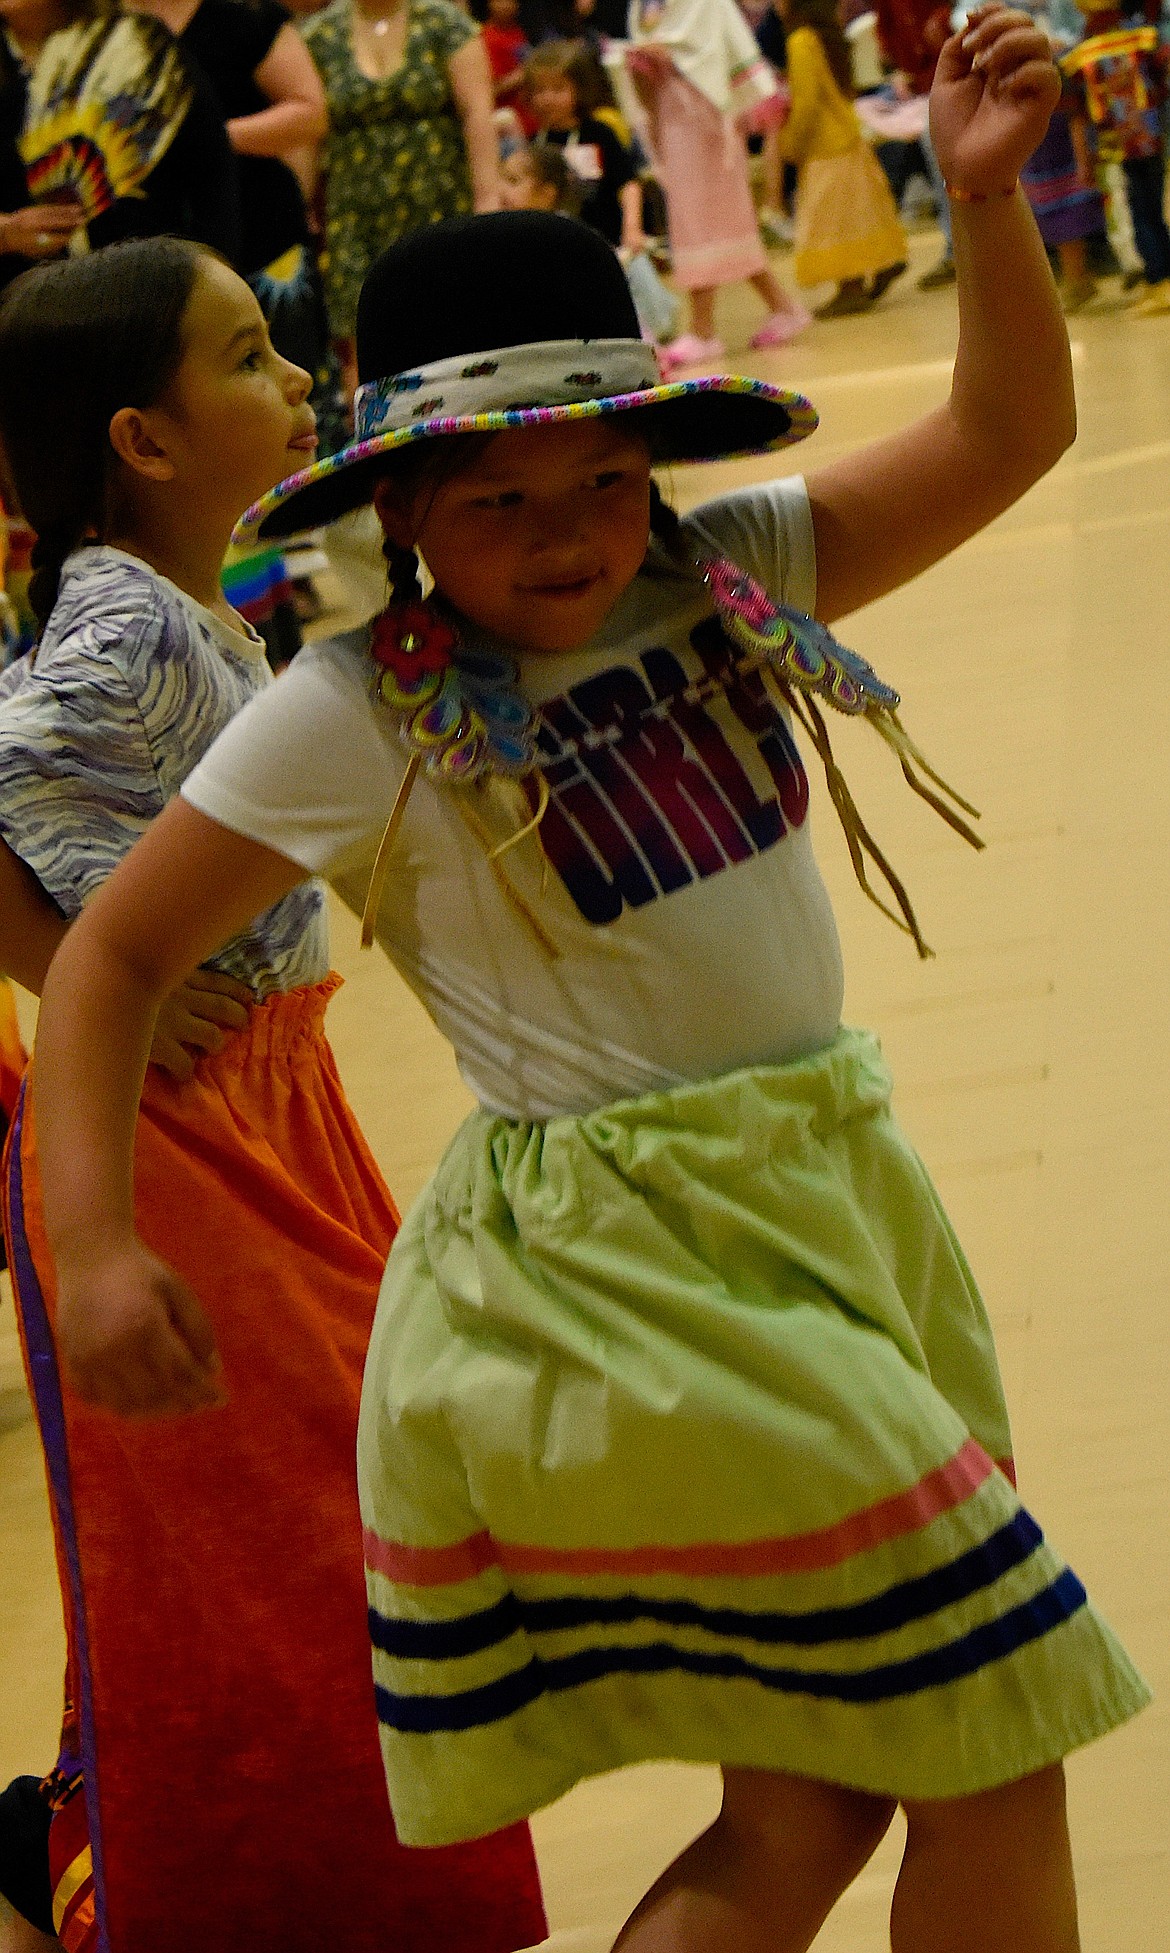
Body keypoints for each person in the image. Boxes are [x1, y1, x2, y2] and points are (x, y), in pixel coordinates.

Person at [28, 11, 1152, 1948]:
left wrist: (985, 202)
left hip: (832, 1202)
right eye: (498, 500)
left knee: (812, 1799)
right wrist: (94, 1243)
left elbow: (1008, 433)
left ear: (657, 457)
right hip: (633, 1256)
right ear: (402, 506)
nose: (562, 539)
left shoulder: (734, 572)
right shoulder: (346, 709)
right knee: (996, 1713)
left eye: (603, 480)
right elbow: (118, 949)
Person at [0, 239, 544, 1953]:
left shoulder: (184, 597)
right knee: (285, 1556)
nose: (298, 377)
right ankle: (192, 1880)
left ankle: (86, 1844)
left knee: (294, 1542)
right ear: (141, 438)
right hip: (178, 1151)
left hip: (259, 1108)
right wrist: (71, 973)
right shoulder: (118, 614)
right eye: (249, 356)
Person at [301, 0, 500, 389]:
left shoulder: (446, 23)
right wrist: (301, 205)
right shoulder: (318, 35)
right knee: (363, 342)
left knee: (453, 330)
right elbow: (308, 133)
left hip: (441, 206)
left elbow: (478, 112)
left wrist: (487, 200)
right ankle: (376, 445)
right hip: (353, 214)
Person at [625, 0, 810, 365]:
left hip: (705, 112)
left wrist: (671, 56)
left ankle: (703, 328)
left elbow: (712, 49)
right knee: (712, 218)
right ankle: (782, 307)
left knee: (702, 217)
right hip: (672, 108)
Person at [0, 0, 240, 270]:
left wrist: (211, 280)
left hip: (148, 278)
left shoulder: (140, 48)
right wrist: (6, 234)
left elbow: (211, 179)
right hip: (20, 295)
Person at [774, 0, 908, 316]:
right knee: (859, 213)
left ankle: (850, 288)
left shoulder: (800, 40)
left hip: (825, 148)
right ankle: (884, 261)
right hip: (850, 138)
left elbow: (806, 105)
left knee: (832, 224)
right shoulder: (829, 36)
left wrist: (790, 144)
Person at [1060, 0, 1170, 312]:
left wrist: (1086, 157)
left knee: (1140, 213)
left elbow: (1077, 110)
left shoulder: (1083, 51)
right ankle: (1159, 277)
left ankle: (1159, 279)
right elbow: (1162, 78)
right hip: (1151, 138)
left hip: (1119, 147)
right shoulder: (1142, 36)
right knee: (1150, 210)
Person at [526, 39, 644, 246]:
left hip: (608, 241)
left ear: (579, 90)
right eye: (539, 90)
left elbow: (628, 184)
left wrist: (632, 229)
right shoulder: (534, 143)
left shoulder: (599, 133)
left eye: (558, 89)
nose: (547, 99)